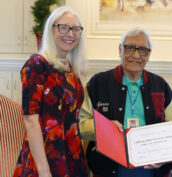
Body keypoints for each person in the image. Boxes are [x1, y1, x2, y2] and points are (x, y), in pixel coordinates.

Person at [78, 27, 172, 177]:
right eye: (130, 48)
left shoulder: (160, 85)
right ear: (120, 49)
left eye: (143, 50)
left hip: (151, 170)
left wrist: (165, 156)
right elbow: (80, 124)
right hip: (108, 169)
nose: (136, 55)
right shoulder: (98, 83)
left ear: (149, 55)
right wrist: (104, 129)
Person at [13, 6, 89, 177]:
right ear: (50, 30)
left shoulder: (71, 71)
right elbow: (31, 121)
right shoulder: (37, 65)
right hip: (44, 159)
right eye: (63, 28)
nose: (70, 34)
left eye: (76, 29)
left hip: (73, 157)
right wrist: (44, 170)